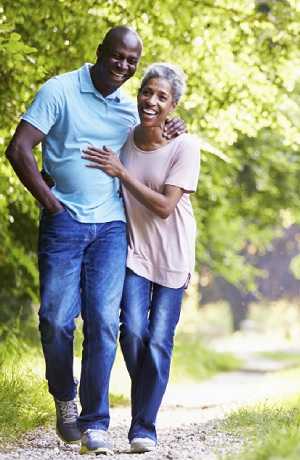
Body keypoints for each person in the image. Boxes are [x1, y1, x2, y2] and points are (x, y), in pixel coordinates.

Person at [5, 27, 185, 455]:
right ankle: (64, 395)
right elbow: (19, 149)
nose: (122, 66)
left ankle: (95, 423)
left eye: (131, 62)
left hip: (110, 228)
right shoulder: (60, 90)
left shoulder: (128, 109)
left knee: (104, 324)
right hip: (64, 224)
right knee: (54, 318)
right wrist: (50, 202)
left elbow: (156, 138)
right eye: (117, 57)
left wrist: (176, 121)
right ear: (100, 52)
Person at [82, 62, 201, 453]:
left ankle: (143, 427)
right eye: (147, 92)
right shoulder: (124, 138)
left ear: (174, 105)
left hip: (174, 255)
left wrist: (122, 174)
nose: (151, 101)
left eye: (162, 97)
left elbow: (166, 206)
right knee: (132, 331)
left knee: (158, 341)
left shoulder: (185, 146)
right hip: (135, 252)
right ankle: (148, 398)